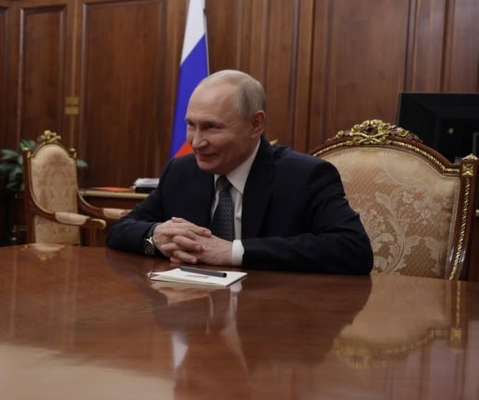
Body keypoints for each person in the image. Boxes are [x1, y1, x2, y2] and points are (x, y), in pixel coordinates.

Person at [106, 69, 373, 274]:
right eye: (191, 125)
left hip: (276, 317)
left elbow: (353, 249)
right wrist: (155, 236)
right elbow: (120, 230)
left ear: (255, 124)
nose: (196, 142)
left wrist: (233, 251)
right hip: (194, 313)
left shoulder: (305, 176)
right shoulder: (181, 171)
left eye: (211, 127)